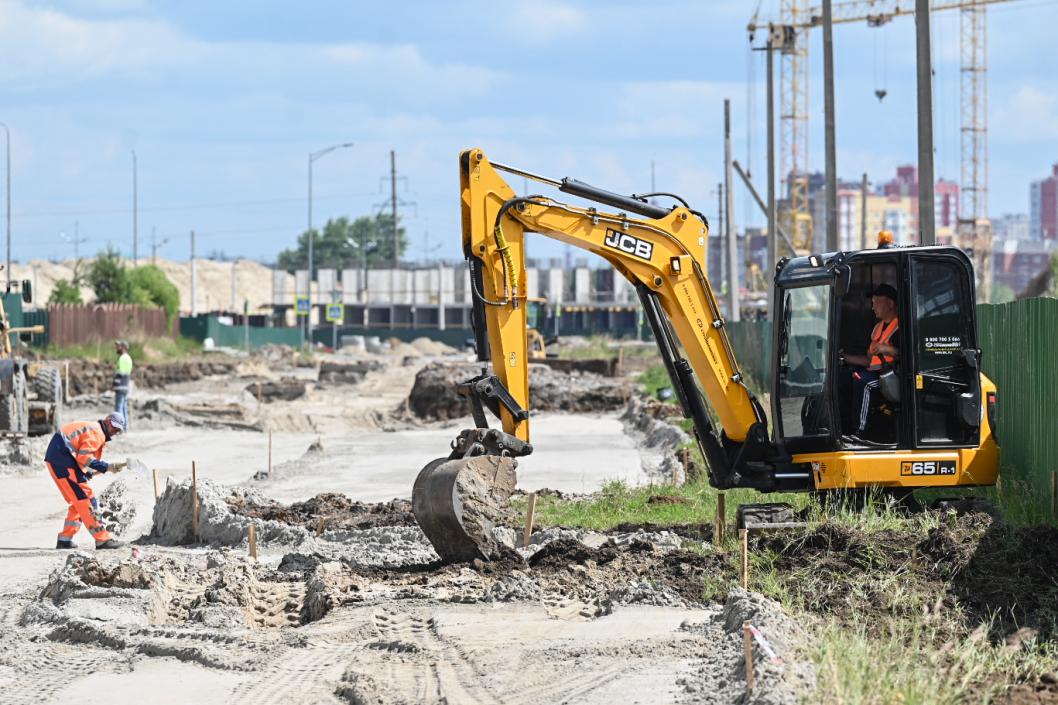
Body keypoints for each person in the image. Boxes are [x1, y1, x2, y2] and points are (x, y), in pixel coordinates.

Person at [45, 412, 128, 549]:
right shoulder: (97, 432)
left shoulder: (95, 430)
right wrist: (106, 466)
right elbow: (84, 458)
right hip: (62, 461)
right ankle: (102, 539)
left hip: (61, 459)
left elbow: (83, 457)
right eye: (114, 427)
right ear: (107, 421)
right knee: (86, 500)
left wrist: (94, 471)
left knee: (78, 502)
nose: (114, 432)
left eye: (118, 430)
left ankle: (65, 539)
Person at [839, 283, 899, 439]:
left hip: (892, 376)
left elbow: (906, 355)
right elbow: (868, 361)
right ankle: (842, 427)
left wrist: (887, 349)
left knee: (863, 383)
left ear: (890, 304)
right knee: (843, 379)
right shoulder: (877, 328)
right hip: (874, 373)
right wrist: (846, 358)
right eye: (873, 303)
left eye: (877, 303)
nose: (873, 307)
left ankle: (860, 432)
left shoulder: (901, 326)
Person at [113, 340, 132, 430]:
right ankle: (125, 427)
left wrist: (114, 384)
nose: (117, 348)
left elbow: (119, 373)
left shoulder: (122, 358)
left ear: (123, 348)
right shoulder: (129, 358)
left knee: (119, 408)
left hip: (120, 386)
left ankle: (119, 427)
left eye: (119, 346)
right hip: (126, 386)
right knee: (124, 407)